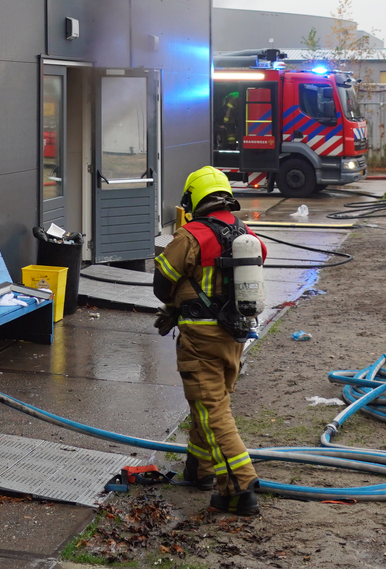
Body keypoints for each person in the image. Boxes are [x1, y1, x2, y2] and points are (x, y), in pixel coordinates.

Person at [153, 166, 268, 517]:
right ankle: (200, 471)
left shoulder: (191, 235)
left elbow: (162, 280)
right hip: (235, 334)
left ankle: (239, 488)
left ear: (193, 199)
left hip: (201, 337)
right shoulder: (244, 232)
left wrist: (181, 296)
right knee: (210, 401)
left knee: (212, 409)